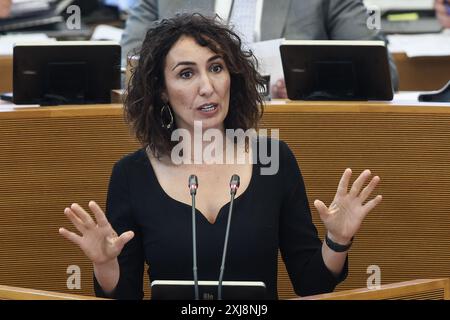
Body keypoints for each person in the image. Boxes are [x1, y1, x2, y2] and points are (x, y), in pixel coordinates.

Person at [59, 13, 382, 300]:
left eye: (216, 68)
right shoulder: (132, 174)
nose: (207, 86)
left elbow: (311, 284)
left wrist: (337, 240)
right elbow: (125, 294)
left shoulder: (272, 158)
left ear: (233, 76)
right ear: (161, 89)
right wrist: (105, 263)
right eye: (186, 74)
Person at [119, 0, 399, 98]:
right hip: (187, 135)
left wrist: (313, 87)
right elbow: (128, 67)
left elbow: (382, 72)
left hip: (296, 133)